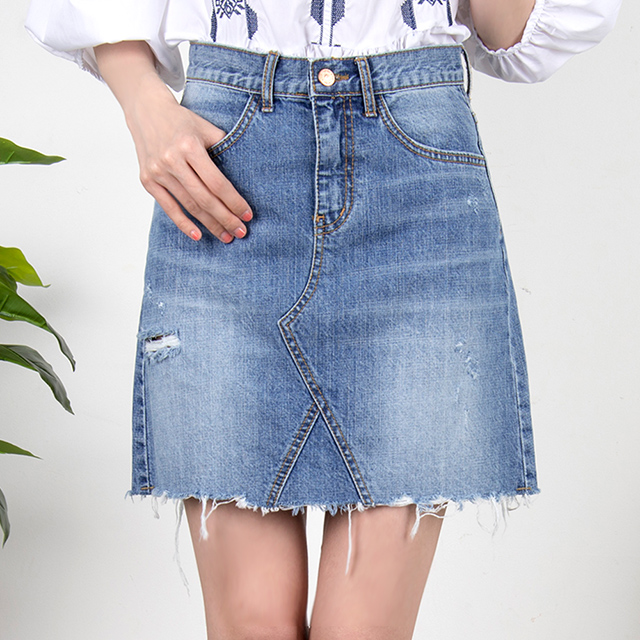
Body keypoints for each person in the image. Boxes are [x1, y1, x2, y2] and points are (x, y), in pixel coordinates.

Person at [25, 1, 621, 639]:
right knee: (251, 626)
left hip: (415, 169)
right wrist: (142, 101)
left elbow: (515, 35)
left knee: (361, 632)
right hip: (227, 156)